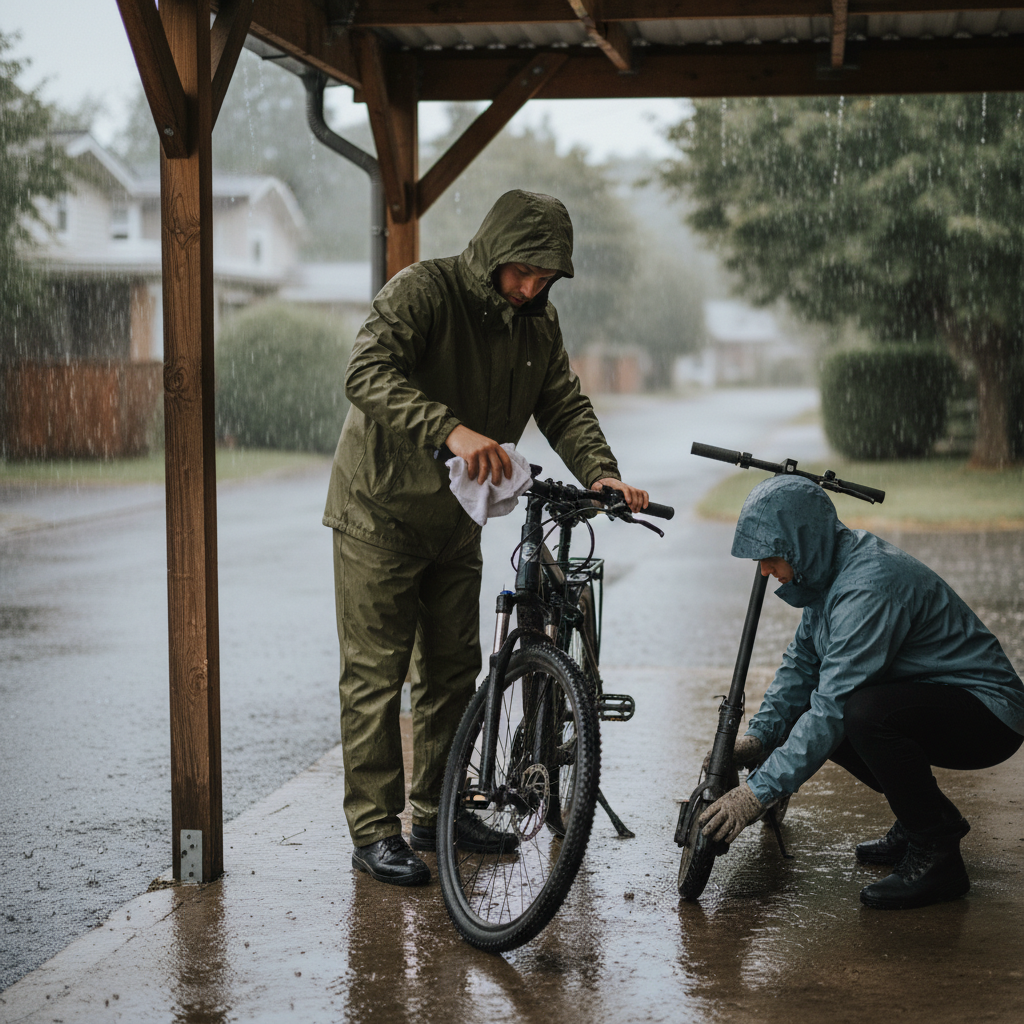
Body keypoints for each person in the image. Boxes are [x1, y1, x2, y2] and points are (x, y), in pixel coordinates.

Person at [323, 189, 649, 886]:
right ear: (493, 250)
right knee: (376, 677)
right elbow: (365, 373)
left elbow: (562, 401)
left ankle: (439, 812)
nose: (532, 286)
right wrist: (451, 427)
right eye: (522, 270)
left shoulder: (539, 324)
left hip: (455, 518)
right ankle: (375, 832)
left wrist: (604, 474)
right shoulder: (424, 292)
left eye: (546, 276)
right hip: (377, 510)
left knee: (450, 672)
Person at [699, 475, 1023, 909]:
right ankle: (918, 821)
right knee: (824, 714)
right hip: (939, 696)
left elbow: (832, 708)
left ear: (802, 544)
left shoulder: (867, 588)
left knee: (863, 713)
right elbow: (800, 666)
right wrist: (761, 737)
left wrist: (758, 793)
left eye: (771, 558)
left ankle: (937, 855)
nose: (764, 570)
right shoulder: (825, 578)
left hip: (989, 715)